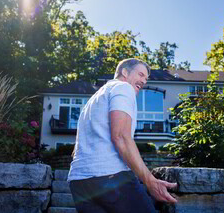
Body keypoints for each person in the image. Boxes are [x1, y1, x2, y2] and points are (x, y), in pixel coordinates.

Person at [67, 58, 178, 213]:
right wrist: (150, 181)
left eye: (146, 78)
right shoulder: (123, 87)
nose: (143, 81)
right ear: (124, 72)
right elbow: (120, 137)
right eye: (140, 74)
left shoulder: (93, 100)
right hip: (110, 177)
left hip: (79, 182)